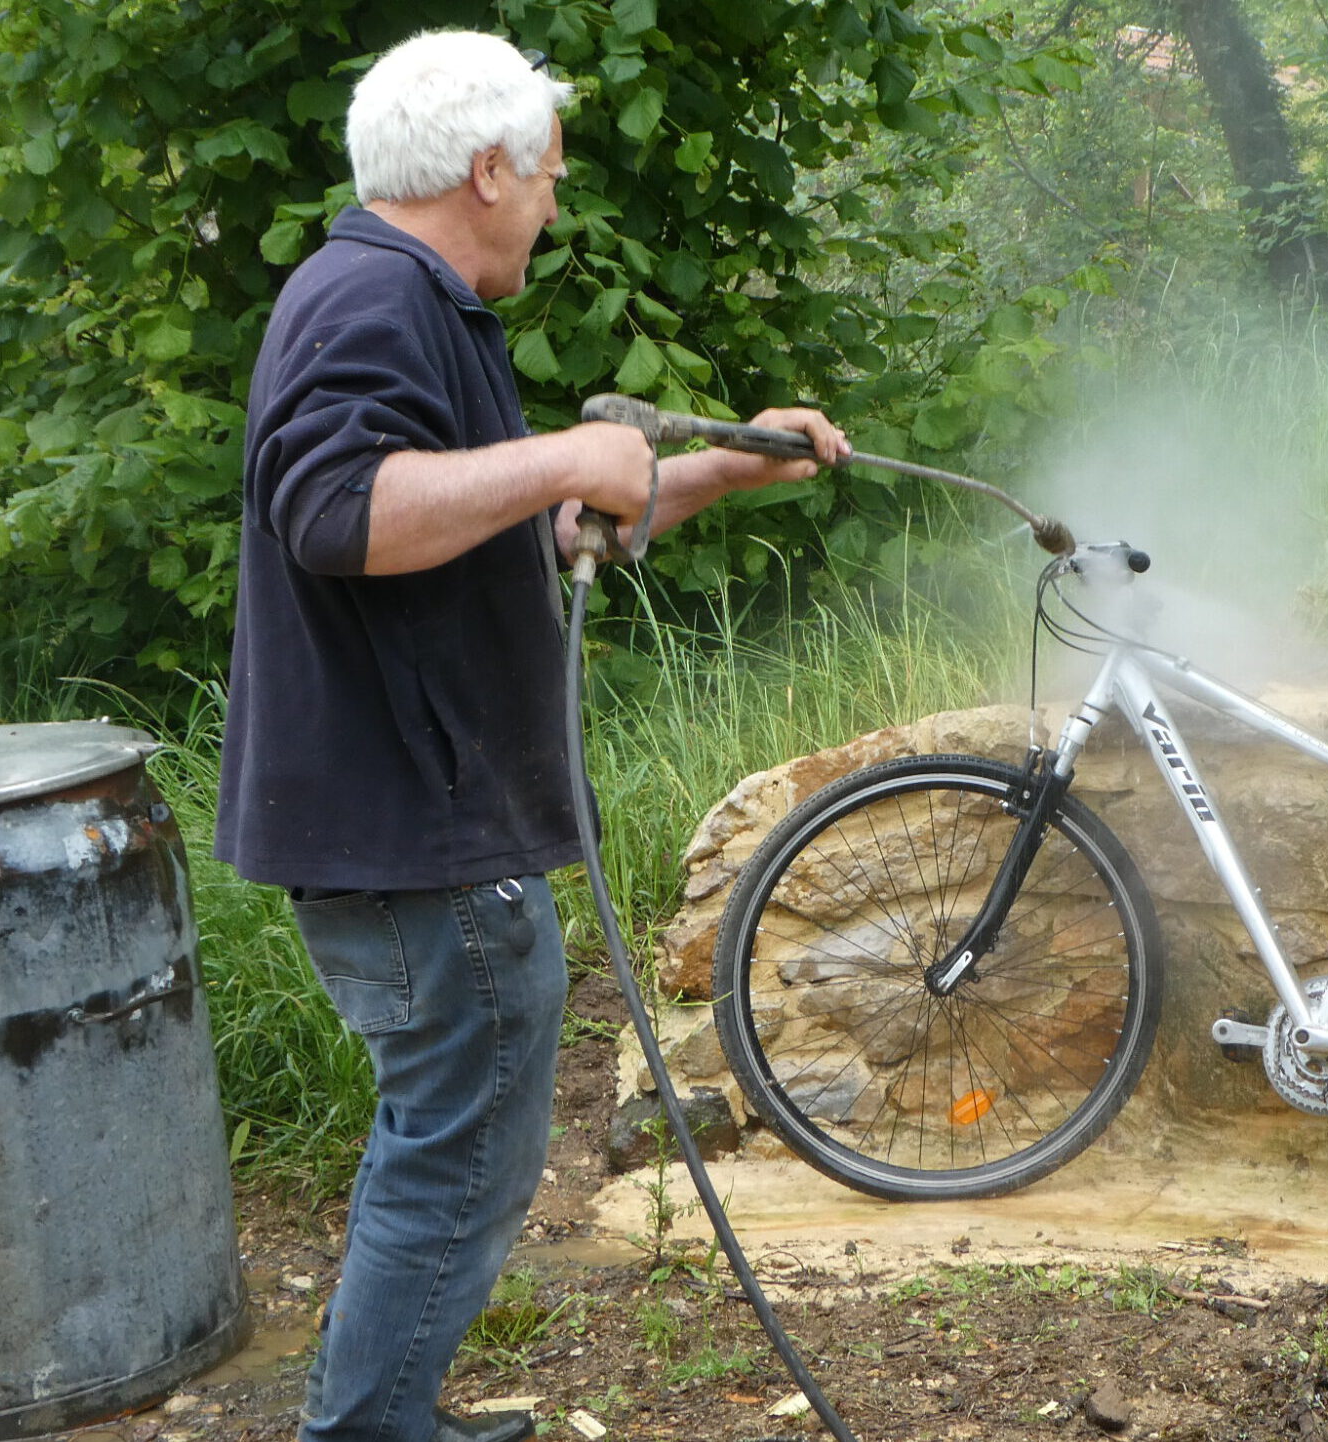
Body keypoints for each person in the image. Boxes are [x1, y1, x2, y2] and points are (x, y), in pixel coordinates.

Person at [216, 30, 846, 1442]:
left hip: (405, 821)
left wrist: (730, 463)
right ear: (488, 170)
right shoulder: (371, 302)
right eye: (550, 175)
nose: (556, 204)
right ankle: (370, 1430)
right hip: (410, 829)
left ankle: (382, 1412)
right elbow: (339, 517)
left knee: (447, 1134)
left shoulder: (406, 302)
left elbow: (534, 525)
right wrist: (565, 451)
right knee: (458, 1148)